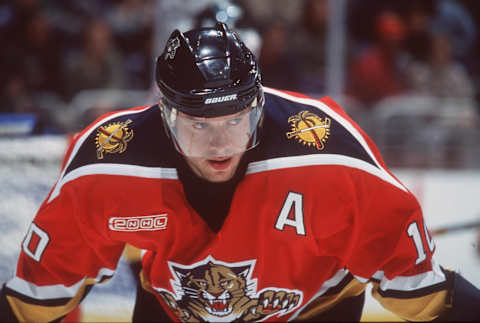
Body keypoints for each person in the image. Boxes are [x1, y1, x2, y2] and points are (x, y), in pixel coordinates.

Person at [1, 22, 479, 322]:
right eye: (197, 125)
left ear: (258, 106)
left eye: (235, 120)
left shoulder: (330, 159)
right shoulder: (105, 165)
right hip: (175, 307)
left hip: (314, 308)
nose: (219, 143)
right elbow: (36, 296)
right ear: (165, 115)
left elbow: (423, 290)